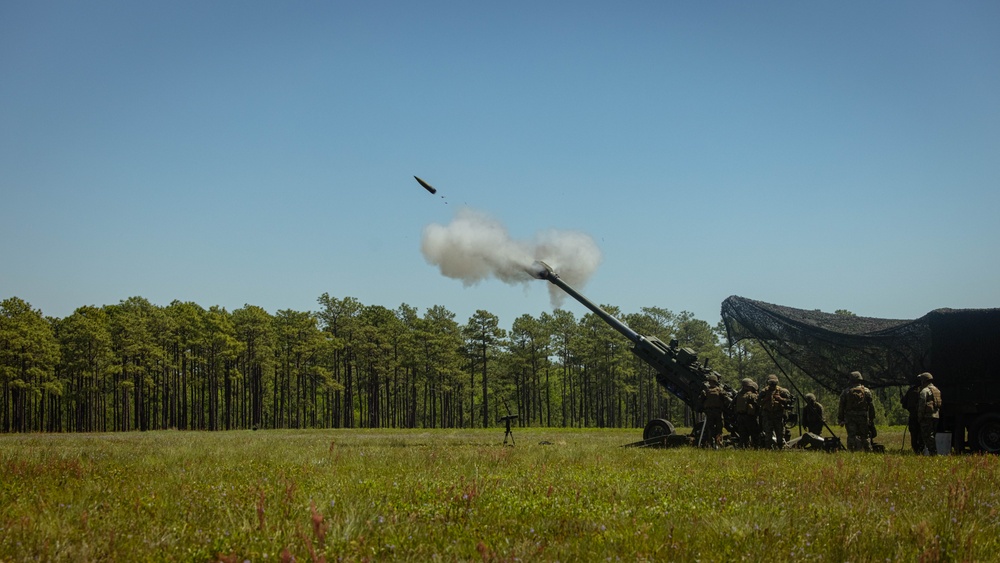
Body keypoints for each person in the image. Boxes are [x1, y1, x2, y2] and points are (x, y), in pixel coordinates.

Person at [837, 371, 875, 452]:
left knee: (851, 435)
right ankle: (868, 450)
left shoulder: (846, 392)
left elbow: (841, 406)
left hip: (850, 417)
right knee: (865, 435)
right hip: (863, 417)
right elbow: (871, 406)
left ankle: (851, 451)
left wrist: (841, 419)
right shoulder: (866, 391)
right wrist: (871, 418)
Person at [758, 374, 791, 449]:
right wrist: (765, 399)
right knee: (768, 434)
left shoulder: (781, 391)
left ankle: (780, 448)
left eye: (774, 383)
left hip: (778, 415)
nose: (772, 384)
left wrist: (780, 399)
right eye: (771, 383)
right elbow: (758, 402)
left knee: (780, 434)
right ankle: (768, 448)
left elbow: (789, 401)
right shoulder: (764, 392)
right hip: (767, 415)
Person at [699, 373, 730, 449]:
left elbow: (700, 400)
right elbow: (726, 399)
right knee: (719, 429)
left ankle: (710, 443)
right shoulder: (720, 390)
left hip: (709, 412)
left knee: (710, 428)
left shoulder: (705, 391)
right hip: (718, 412)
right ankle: (719, 443)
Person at [917, 372, 942, 455]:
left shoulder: (924, 391)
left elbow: (922, 405)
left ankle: (933, 453)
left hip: (927, 417)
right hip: (936, 416)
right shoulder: (936, 390)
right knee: (932, 435)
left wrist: (920, 417)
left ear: (924, 381)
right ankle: (932, 452)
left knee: (927, 436)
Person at [901, 374, 924, 454]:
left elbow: (904, 404)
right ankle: (922, 449)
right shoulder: (925, 390)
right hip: (923, 417)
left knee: (914, 434)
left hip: (913, 416)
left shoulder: (911, 391)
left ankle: (916, 450)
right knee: (923, 433)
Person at [734, 378, 760, 449]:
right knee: (754, 433)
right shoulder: (751, 395)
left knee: (743, 434)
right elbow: (758, 404)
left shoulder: (739, 395)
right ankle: (755, 447)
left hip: (740, 417)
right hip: (749, 417)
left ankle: (744, 447)